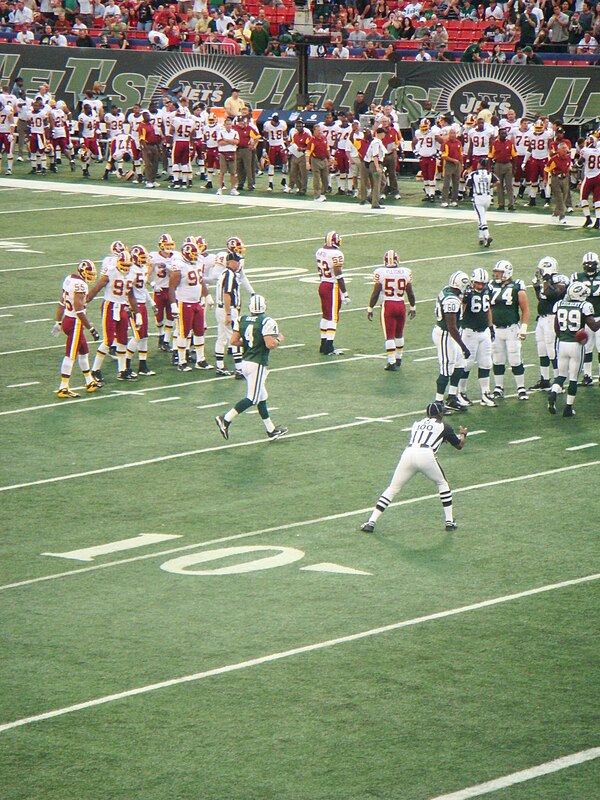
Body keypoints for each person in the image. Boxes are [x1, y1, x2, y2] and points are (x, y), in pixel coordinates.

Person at [360, 401, 467, 533]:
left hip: (408, 454)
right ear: (440, 413)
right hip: (426, 455)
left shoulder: (416, 424)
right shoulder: (444, 426)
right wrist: (463, 434)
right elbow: (459, 446)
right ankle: (449, 521)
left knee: (393, 488)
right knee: (442, 483)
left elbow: (426, 437)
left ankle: (371, 522)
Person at [215, 294, 287, 441]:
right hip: (257, 362)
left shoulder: (242, 319)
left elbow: (234, 341)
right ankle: (225, 419)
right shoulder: (267, 321)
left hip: (245, 362)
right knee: (253, 398)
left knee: (262, 396)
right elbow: (269, 344)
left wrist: (250, 344)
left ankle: (271, 429)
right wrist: (278, 339)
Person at [87, 249, 140, 384]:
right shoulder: (110, 271)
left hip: (123, 307)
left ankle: (122, 370)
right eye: (124, 265)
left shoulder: (132, 273)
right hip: (110, 306)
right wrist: (85, 301)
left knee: (122, 340)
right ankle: (95, 370)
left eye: (128, 265)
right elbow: (97, 287)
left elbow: (131, 295)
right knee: (108, 340)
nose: (126, 268)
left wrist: (137, 312)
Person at [548, 282, 600, 416]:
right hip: (576, 345)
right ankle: (568, 407)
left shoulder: (559, 304)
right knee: (573, 378)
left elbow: (556, 328)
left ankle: (553, 393)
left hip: (562, 343)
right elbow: (594, 326)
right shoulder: (585, 305)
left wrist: (563, 337)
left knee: (561, 375)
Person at [52, 259, 102, 398]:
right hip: (75, 322)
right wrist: (91, 328)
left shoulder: (69, 279)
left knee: (84, 351)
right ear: (82, 272)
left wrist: (58, 321)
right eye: (89, 273)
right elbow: (79, 310)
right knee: (70, 355)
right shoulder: (80, 285)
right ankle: (63, 387)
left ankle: (89, 381)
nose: (91, 276)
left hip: (68, 319)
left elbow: (62, 302)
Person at [367, 250, 416, 370]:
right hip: (400, 304)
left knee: (389, 336)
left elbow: (376, 293)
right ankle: (399, 358)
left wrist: (370, 307)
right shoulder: (405, 272)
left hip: (388, 305)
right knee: (399, 334)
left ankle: (391, 361)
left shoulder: (380, 272)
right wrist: (413, 306)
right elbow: (410, 292)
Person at [489, 260, 530, 400]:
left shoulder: (517, 285)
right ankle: (498, 387)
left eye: (499, 272)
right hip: (495, 328)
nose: (496, 275)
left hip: (511, 328)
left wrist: (524, 327)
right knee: (497, 358)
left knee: (515, 358)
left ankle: (521, 388)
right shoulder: (491, 285)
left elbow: (525, 309)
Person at [169, 239, 211, 372]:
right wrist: (173, 305)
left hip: (196, 302)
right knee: (184, 333)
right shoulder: (179, 266)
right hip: (184, 303)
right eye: (192, 255)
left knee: (199, 332)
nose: (195, 257)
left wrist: (207, 295)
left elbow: (201, 281)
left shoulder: (198, 262)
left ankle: (200, 360)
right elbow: (171, 287)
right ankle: (182, 361)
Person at [433, 271, 471, 411]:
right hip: (446, 335)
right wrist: (463, 346)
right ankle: (438, 402)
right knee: (446, 368)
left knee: (460, 365)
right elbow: (451, 327)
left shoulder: (446, 290)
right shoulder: (452, 300)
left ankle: (452, 397)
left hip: (450, 334)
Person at [458, 268, 497, 407]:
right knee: (467, 363)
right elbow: (460, 311)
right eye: (478, 283)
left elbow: (488, 310)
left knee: (486, 363)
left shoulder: (488, 290)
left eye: (482, 283)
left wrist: (491, 327)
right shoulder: (467, 293)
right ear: (472, 282)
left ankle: (485, 393)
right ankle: (460, 392)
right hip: (469, 332)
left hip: (484, 331)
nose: (480, 286)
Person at [530, 256, 568, 390]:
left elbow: (552, 294)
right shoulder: (547, 281)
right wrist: (536, 288)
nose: (540, 272)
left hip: (553, 318)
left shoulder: (560, 279)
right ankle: (545, 380)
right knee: (542, 349)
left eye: (542, 269)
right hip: (542, 318)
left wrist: (546, 280)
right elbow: (542, 298)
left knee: (552, 350)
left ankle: (559, 382)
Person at [213, 239, 246, 376]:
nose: (239, 264)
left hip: (220, 309)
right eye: (237, 261)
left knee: (221, 337)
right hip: (227, 309)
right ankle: (239, 369)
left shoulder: (224, 274)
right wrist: (228, 313)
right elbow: (227, 294)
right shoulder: (230, 275)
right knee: (234, 338)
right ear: (231, 262)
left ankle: (220, 366)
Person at [569, 251, 600, 386]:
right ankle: (587, 375)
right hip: (586, 318)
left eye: (591, 264)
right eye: (587, 265)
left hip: (598, 316)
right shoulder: (576, 277)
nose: (589, 267)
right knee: (586, 347)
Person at [316, 231, 349, 355]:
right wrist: (345, 292)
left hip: (323, 284)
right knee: (333, 317)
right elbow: (338, 274)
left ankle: (323, 343)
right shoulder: (336, 253)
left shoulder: (319, 251)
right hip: (332, 286)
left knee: (325, 315)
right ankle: (329, 346)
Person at [149, 233, 175, 352]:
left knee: (171, 316)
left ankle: (166, 341)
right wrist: (153, 284)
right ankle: (161, 334)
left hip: (170, 289)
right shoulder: (154, 257)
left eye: (170, 244)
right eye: (166, 244)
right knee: (159, 317)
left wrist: (168, 266)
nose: (169, 247)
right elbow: (146, 275)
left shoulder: (176, 256)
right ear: (160, 245)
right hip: (159, 290)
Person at [465, 158, 498, 248]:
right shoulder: (489, 174)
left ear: (479, 164)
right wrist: (491, 186)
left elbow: (467, 185)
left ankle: (487, 235)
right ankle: (480, 237)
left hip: (478, 197)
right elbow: (497, 181)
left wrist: (472, 188)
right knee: (482, 216)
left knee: (482, 217)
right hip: (487, 197)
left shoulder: (474, 174)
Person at [489, 126, 517, 211]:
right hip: (498, 165)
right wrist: (489, 168)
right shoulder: (494, 143)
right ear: (499, 134)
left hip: (508, 164)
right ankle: (501, 204)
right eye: (502, 133)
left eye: (505, 133)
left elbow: (514, 156)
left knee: (509, 186)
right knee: (499, 185)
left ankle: (511, 204)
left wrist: (514, 167)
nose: (503, 135)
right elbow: (490, 156)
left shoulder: (510, 143)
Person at [544, 141, 571, 224]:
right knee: (559, 197)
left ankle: (556, 213)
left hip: (565, 178)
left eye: (565, 148)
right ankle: (562, 216)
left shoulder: (568, 158)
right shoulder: (554, 159)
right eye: (563, 148)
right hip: (556, 178)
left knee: (564, 196)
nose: (565, 150)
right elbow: (546, 169)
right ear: (558, 150)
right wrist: (545, 179)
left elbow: (568, 168)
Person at [579, 133, 600, 229]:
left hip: (589, 177)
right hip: (598, 176)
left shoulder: (585, 150)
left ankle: (588, 218)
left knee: (583, 198)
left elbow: (580, 163)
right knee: (597, 200)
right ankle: (598, 220)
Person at [362, 127, 387, 209]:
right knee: (377, 183)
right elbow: (375, 155)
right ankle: (375, 203)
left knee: (383, 182)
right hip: (375, 164)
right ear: (380, 133)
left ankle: (371, 197)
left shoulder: (378, 142)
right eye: (384, 133)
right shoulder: (376, 142)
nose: (385, 135)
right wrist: (377, 167)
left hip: (377, 163)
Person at [306, 124, 330, 202]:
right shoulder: (312, 141)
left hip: (324, 159)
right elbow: (308, 152)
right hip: (315, 160)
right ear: (314, 131)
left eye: (320, 130)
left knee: (325, 178)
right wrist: (307, 162)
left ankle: (323, 193)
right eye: (318, 130)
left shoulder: (324, 138)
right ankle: (317, 195)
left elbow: (327, 148)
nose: (320, 132)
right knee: (316, 179)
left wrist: (329, 158)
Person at [216, 116, 239, 196]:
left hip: (232, 152)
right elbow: (220, 143)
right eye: (227, 124)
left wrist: (226, 140)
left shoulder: (235, 132)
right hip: (223, 153)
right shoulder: (221, 132)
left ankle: (233, 188)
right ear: (224, 125)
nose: (229, 126)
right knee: (222, 172)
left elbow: (236, 142)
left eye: (230, 124)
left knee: (233, 172)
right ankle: (220, 188)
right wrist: (230, 141)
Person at [440, 128, 463, 207]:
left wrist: (461, 164)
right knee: (446, 183)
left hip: (457, 164)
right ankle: (444, 200)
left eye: (454, 133)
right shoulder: (446, 144)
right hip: (449, 164)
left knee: (456, 183)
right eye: (451, 133)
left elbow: (460, 154)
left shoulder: (459, 143)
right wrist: (453, 160)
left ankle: (454, 199)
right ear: (449, 134)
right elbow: (444, 156)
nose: (453, 135)